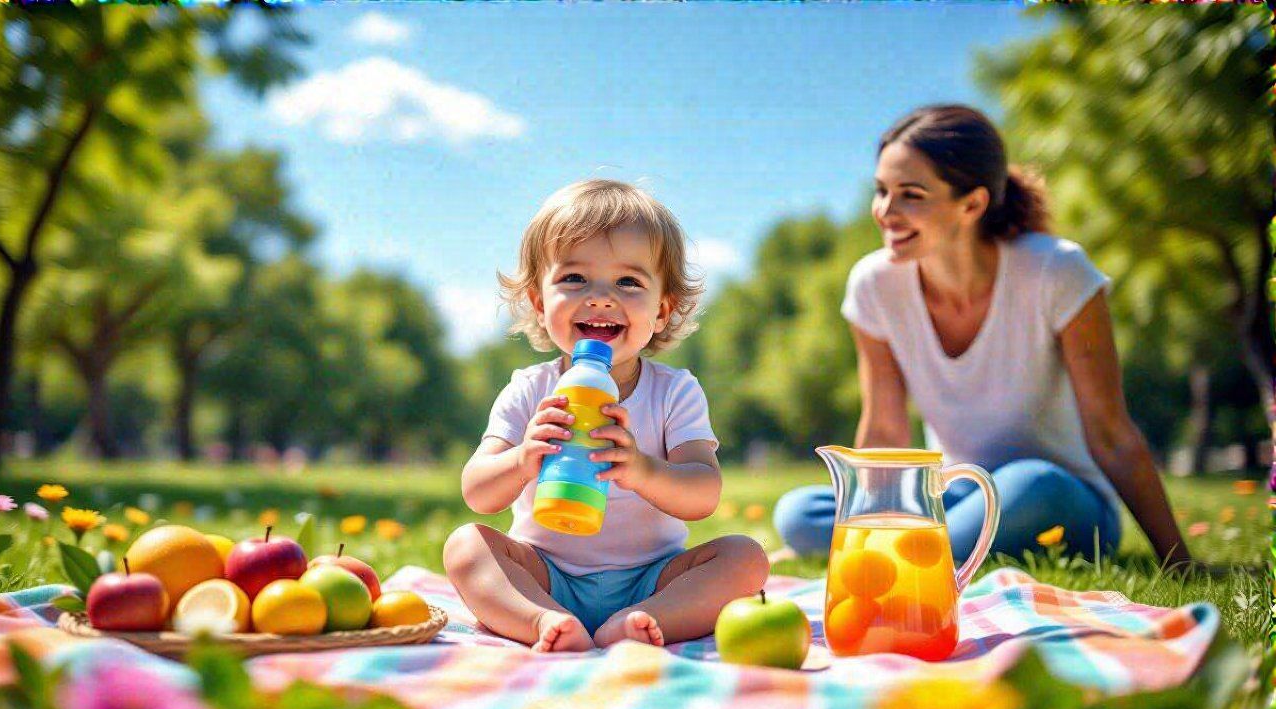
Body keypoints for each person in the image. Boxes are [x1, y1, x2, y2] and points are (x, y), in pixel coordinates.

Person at [773, 104, 1195, 570]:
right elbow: (885, 430)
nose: (885, 212)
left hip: (1058, 500)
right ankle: (909, 552)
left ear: (971, 204)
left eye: (911, 194)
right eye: (881, 191)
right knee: (797, 513)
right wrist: (870, 511)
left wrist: (1177, 559)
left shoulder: (1057, 271)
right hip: (955, 492)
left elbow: (1111, 434)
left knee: (1031, 484)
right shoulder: (874, 284)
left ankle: (877, 558)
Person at [446, 179, 768, 653]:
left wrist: (642, 470)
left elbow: (704, 494)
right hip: (545, 572)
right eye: (574, 278)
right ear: (539, 300)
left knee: (746, 557)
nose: (600, 297)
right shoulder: (530, 388)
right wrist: (522, 459)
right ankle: (543, 620)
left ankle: (642, 621)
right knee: (465, 545)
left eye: (628, 282)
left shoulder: (674, 391)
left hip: (653, 578)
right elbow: (477, 492)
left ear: (662, 310)